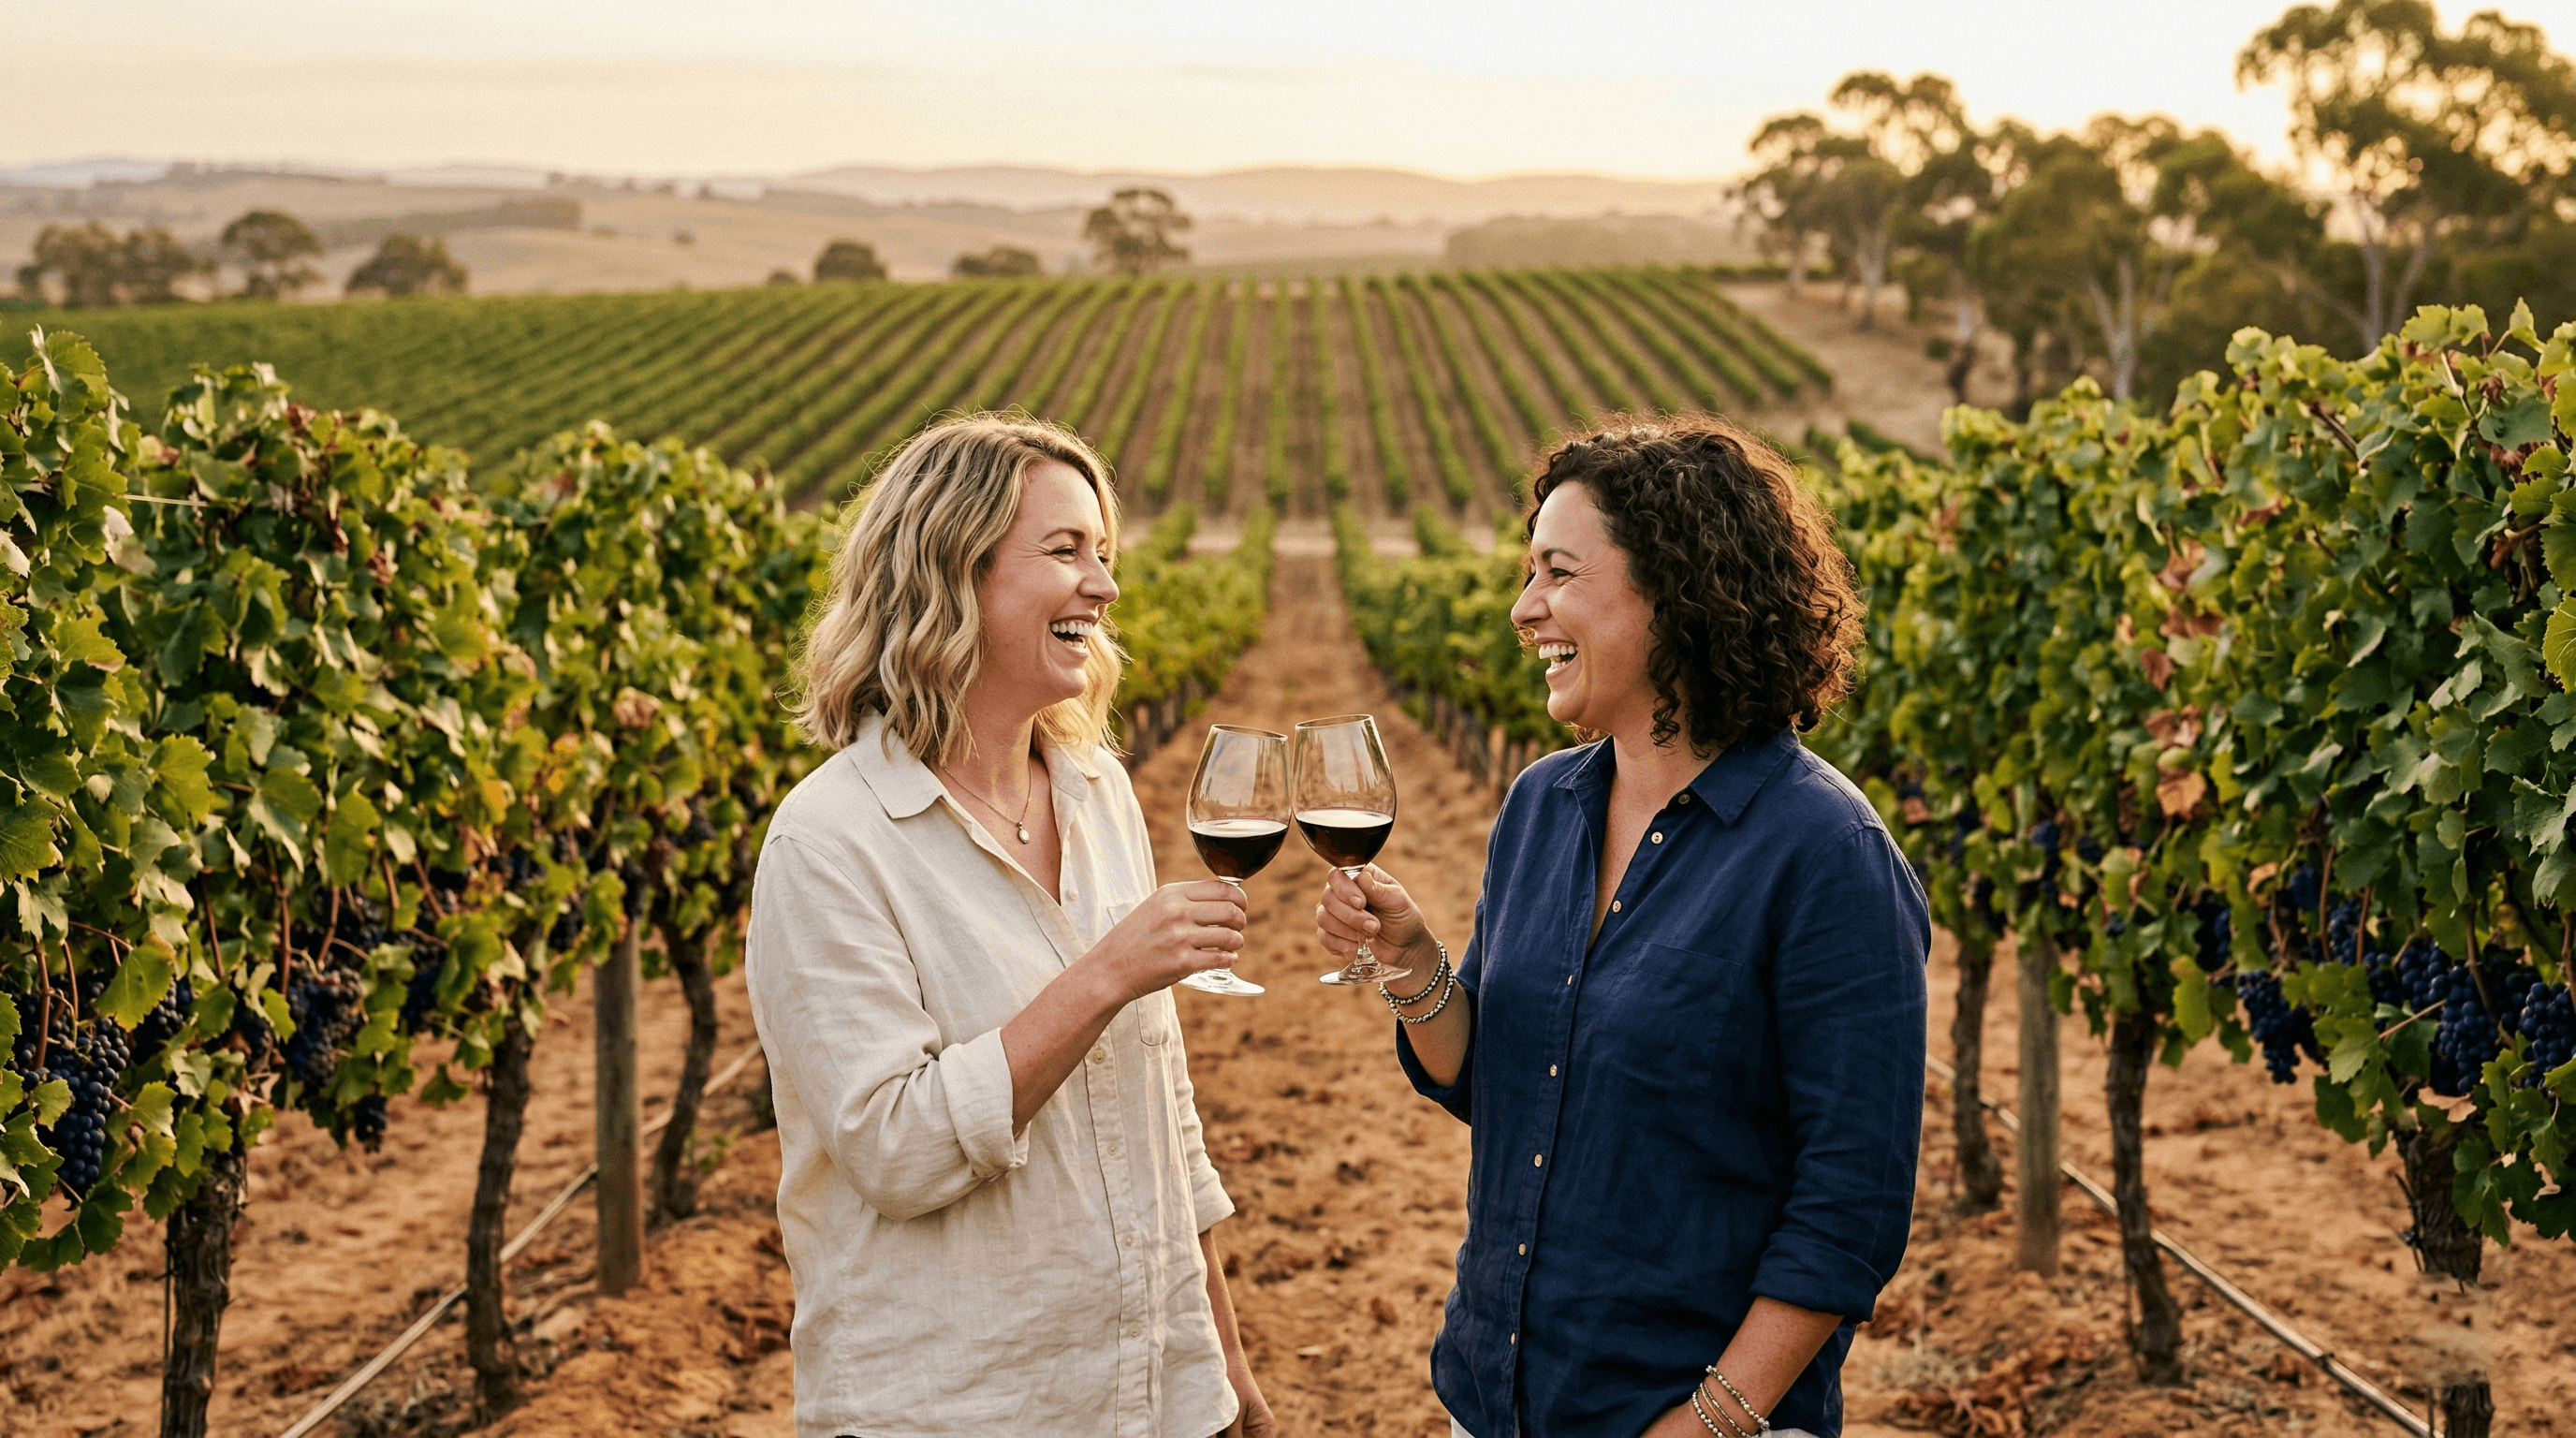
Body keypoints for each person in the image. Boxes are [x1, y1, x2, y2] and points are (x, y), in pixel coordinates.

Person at [1315, 418, 1927, 1438]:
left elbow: (1850, 1207)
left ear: (1677, 590)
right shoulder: (1542, 805)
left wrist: (1709, 1423)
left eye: (1558, 572)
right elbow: (1498, 1085)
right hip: (1495, 1401)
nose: (1524, 609)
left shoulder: (1827, 853)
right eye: (1528, 573)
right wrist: (1414, 961)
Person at [747, 412, 1274, 1438]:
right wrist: (1104, 975)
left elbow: (1162, 1117)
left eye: (1104, 553)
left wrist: (1222, 1369)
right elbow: (896, 1150)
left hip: (1155, 1399)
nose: (1104, 586)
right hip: (963, 1407)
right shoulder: (829, 842)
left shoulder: (1094, 790)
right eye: (1066, 551)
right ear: (954, 571)